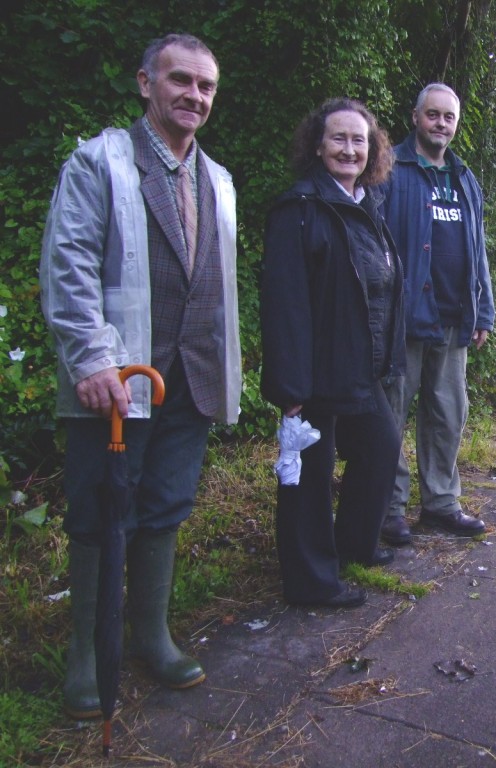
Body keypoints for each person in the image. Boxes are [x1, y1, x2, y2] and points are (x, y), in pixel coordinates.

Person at [39, 34, 241, 720]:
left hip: (189, 377)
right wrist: (90, 359)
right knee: (99, 514)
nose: (194, 95)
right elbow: (68, 265)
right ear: (145, 84)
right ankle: (88, 656)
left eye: (206, 86)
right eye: (180, 80)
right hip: (115, 380)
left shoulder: (218, 179)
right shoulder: (100, 162)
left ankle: (151, 635)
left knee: (166, 507)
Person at [260, 98, 404, 608]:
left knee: (382, 446)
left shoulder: (367, 207)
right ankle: (311, 582)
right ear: (318, 145)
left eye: (359, 140)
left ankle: (353, 547)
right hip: (313, 370)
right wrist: (290, 388)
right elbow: (284, 302)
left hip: (359, 368)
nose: (349, 148)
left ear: (373, 149)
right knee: (309, 475)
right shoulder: (299, 209)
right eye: (338, 138)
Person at [379, 83, 495, 547]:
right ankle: (387, 510)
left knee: (448, 413)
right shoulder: (391, 169)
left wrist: (483, 309)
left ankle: (441, 504)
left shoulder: (465, 178)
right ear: (415, 117)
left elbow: (478, 248)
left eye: (449, 117)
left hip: (454, 315)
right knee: (391, 414)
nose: (441, 124)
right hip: (403, 316)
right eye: (433, 115)